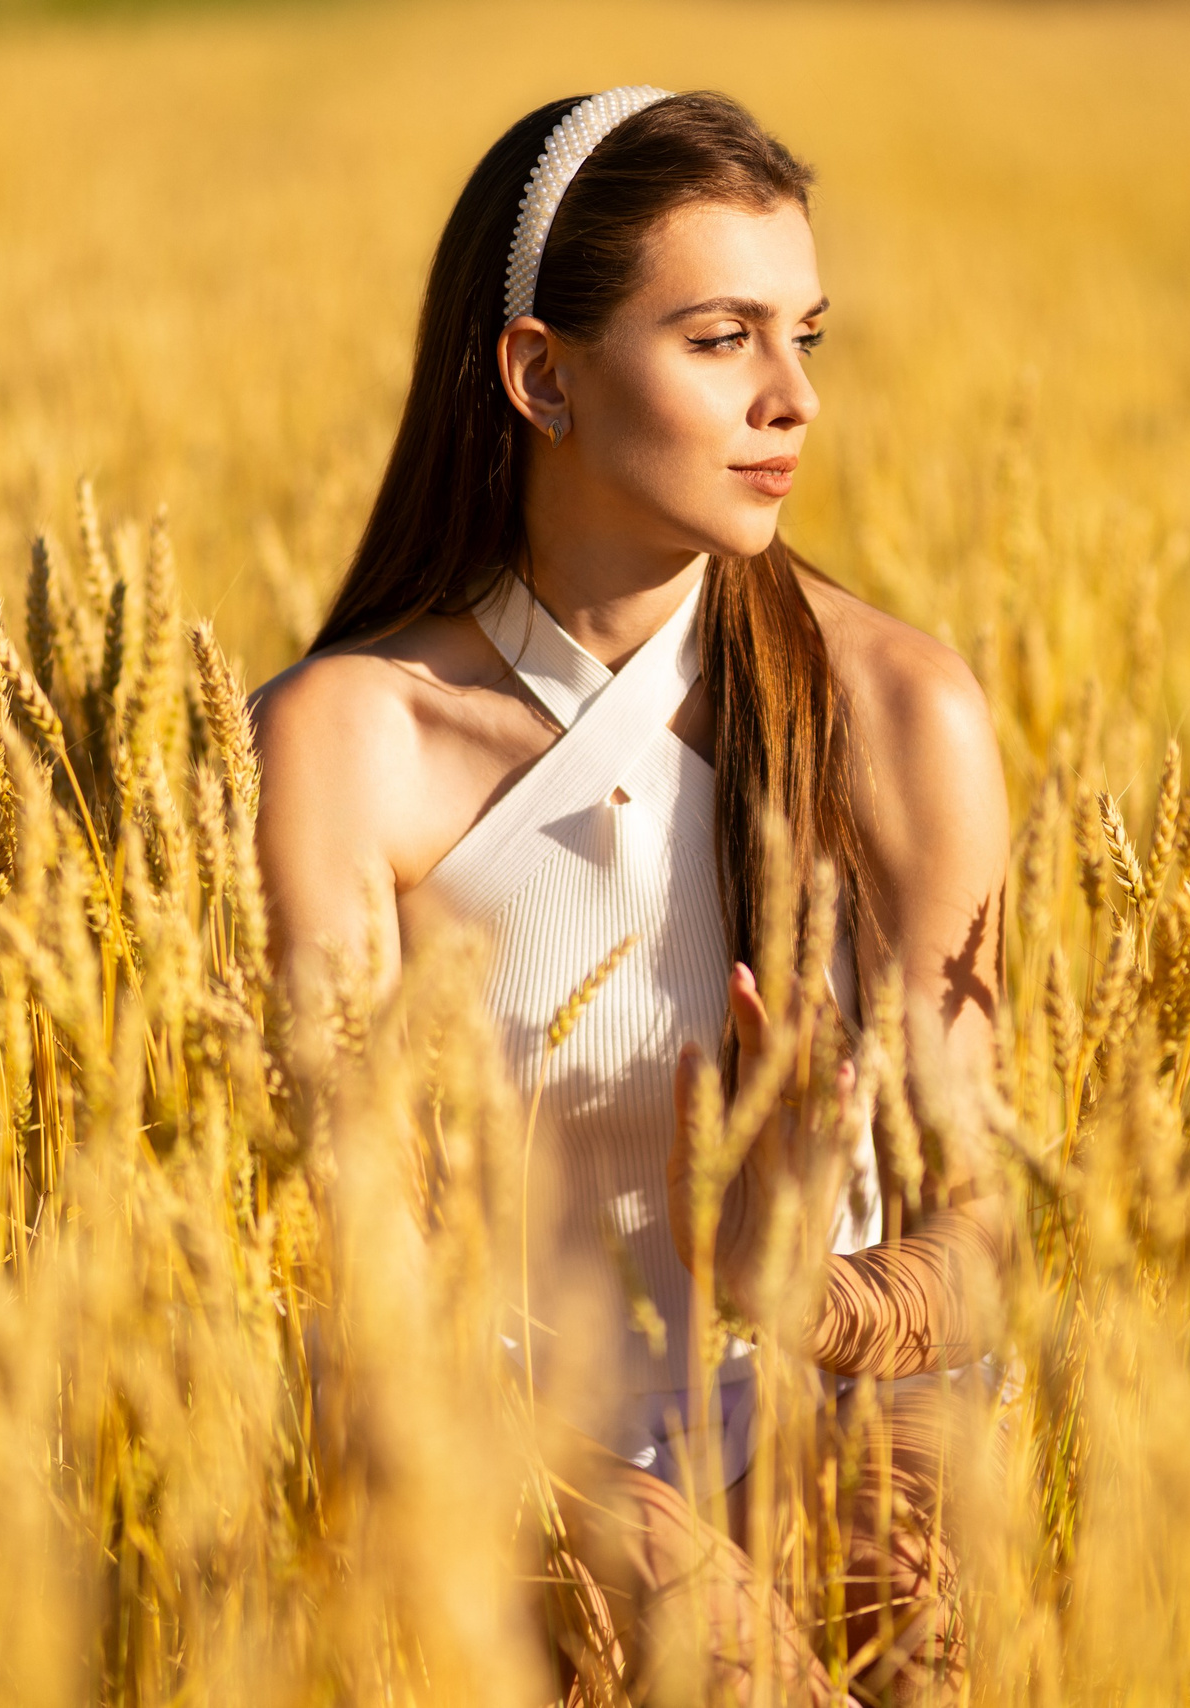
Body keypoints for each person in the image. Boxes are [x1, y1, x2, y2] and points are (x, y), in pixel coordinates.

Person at [250, 85, 1010, 1706]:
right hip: (502, 1444)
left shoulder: (899, 713)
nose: (793, 398)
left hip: (845, 1409)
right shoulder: (349, 742)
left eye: (809, 336)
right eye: (723, 337)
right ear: (542, 374)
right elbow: (350, 1268)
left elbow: (996, 1229)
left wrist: (818, 1293)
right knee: (702, 1639)